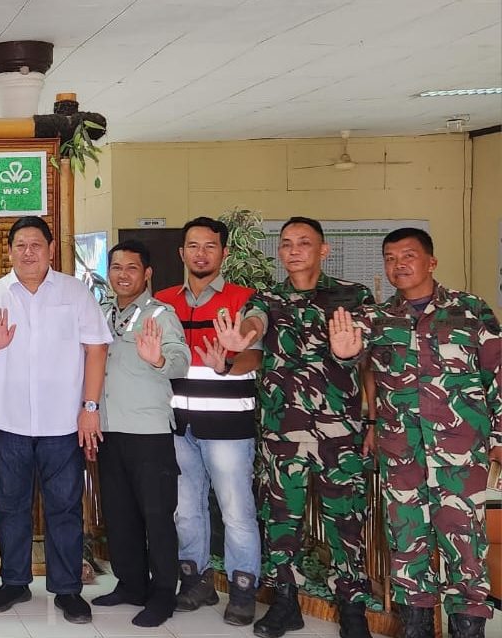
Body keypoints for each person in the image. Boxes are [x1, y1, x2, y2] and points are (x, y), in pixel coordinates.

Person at [328, 228, 500, 638]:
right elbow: (355, 368)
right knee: (407, 548)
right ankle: (416, 629)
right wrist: (344, 353)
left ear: (431, 262)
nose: (398, 265)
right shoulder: (376, 318)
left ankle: (468, 631)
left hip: (460, 455)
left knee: (466, 550)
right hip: (401, 455)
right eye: (389, 258)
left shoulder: (470, 309)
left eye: (408, 255)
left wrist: (498, 438)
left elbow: (497, 374)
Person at [213, 216, 374, 638]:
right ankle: (286, 601)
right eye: (286, 244)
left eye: (304, 243)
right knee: (281, 521)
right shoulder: (267, 298)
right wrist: (240, 341)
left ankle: (351, 608)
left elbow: (369, 362)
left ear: (324, 250)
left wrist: (371, 417)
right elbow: (255, 326)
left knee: (346, 521)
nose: (294, 250)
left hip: (340, 432)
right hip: (283, 431)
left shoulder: (353, 296)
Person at [0, 216, 112, 624]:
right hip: (10, 420)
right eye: (20, 244)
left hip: (63, 422)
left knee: (65, 508)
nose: (28, 251)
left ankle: (67, 589)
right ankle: (14, 582)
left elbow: (97, 350)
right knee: (11, 506)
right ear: (10, 250)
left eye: (36, 244)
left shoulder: (74, 292)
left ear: (51, 249)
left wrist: (90, 408)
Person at [154, 217, 262, 626]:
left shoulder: (245, 298)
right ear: (181, 253)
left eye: (210, 246)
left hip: (228, 426)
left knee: (236, 509)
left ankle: (243, 587)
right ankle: (195, 580)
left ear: (224, 252)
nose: (201, 253)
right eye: (193, 246)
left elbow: (256, 354)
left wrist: (230, 361)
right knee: (186, 508)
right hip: (178, 424)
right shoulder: (164, 300)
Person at [92, 240, 189, 627]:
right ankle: (131, 584)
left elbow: (181, 362)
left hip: (148, 431)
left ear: (147, 273)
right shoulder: (99, 313)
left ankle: (164, 593)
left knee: (157, 515)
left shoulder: (160, 315)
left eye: (131, 268)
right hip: (108, 429)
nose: (122, 275)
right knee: (119, 514)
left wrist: (159, 358)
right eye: (116, 267)